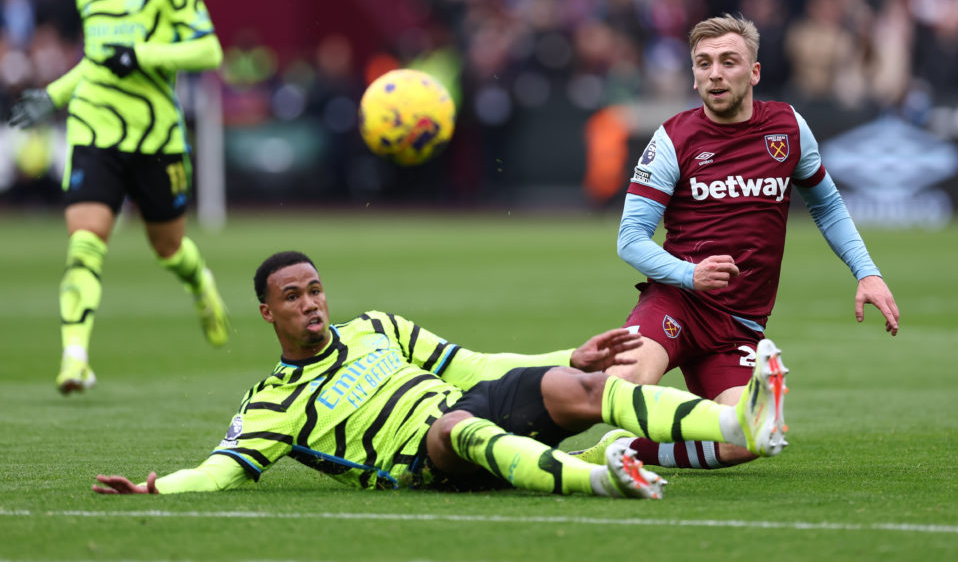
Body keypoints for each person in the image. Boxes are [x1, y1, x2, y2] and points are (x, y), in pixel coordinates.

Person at [91, 250, 789, 499]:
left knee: (592, 390)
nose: (311, 302)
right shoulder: (272, 404)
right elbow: (222, 469)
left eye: (315, 289)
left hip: (471, 400)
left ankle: (738, 420)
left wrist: (565, 357)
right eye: (294, 296)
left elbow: (476, 364)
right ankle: (602, 477)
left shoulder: (376, 327)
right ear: (266, 310)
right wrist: (157, 485)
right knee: (459, 426)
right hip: (426, 457)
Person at [577, 14, 898, 471]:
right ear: (693, 75)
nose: (715, 73)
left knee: (750, 439)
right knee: (620, 385)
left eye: (729, 61)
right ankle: (529, 431)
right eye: (703, 63)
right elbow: (630, 239)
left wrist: (867, 272)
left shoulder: (787, 129)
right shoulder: (674, 138)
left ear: (754, 72)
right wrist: (690, 274)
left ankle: (623, 451)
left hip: (738, 326)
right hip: (677, 303)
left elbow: (826, 206)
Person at [3, 0, 230, 394]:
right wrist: (53, 96)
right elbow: (95, 63)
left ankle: (201, 283)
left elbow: (209, 52)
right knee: (85, 244)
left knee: (169, 248)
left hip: (156, 137)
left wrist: (144, 54)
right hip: (94, 129)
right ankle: (75, 357)